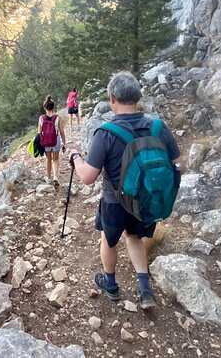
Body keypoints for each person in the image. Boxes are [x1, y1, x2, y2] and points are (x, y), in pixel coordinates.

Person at [68, 71, 181, 310]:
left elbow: (88, 177)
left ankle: (110, 285)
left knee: (109, 241)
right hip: (145, 202)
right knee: (135, 238)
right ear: (138, 98)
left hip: (114, 202)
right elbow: (177, 160)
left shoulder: (106, 133)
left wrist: (76, 158)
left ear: (112, 99)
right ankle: (144, 290)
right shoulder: (158, 127)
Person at [39, 95, 67, 187]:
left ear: (45, 107)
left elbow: (39, 132)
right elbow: (62, 131)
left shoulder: (41, 118)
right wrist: (64, 143)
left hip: (46, 141)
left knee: (48, 159)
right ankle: (55, 176)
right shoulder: (58, 118)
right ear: (53, 107)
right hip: (56, 140)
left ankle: (49, 177)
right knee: (55, 159)